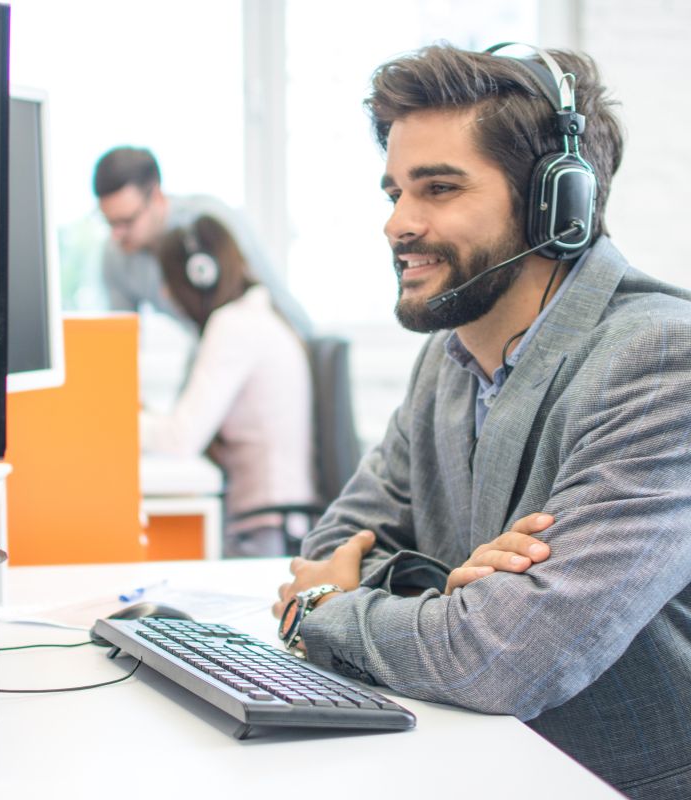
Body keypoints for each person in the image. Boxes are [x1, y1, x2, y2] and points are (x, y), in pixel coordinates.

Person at [273, 42, 691, 799]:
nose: (398, 223)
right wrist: (454, 603)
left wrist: (329, 609)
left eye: (438, 188)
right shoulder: (449, 359)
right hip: (468, 759)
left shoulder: (663, 360)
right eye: (395, 190)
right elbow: (333, 544)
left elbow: (506, 660)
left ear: (556, 202)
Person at [140, 214, 316, 558]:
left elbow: (180, 439)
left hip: (264, 532)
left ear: (200, 275)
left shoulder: (234, 326)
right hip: (271, 526)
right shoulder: (253, 318)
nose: (165, 293)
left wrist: (116, 421)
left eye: (169, 280)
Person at [92, 146, 312, 337]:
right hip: (208, 345)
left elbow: (269, 292)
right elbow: (121, 341)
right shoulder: (115, 255)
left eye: (127, 221)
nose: (116, 234)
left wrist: (316, 368)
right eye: (109, 223)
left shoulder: (209, 225)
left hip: (255, 346)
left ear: (157, 197)